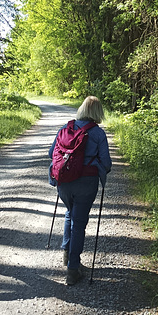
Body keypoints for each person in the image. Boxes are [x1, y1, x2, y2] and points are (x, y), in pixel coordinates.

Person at [49, 96, 112, 286]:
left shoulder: (65, 128)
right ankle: (73, 269)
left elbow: (51, 153)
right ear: (98, 112)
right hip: (86, 183)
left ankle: (67, 255)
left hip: (64, 182)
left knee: (70, 212)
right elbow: (107, 164)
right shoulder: (98, 134)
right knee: (79, 223)